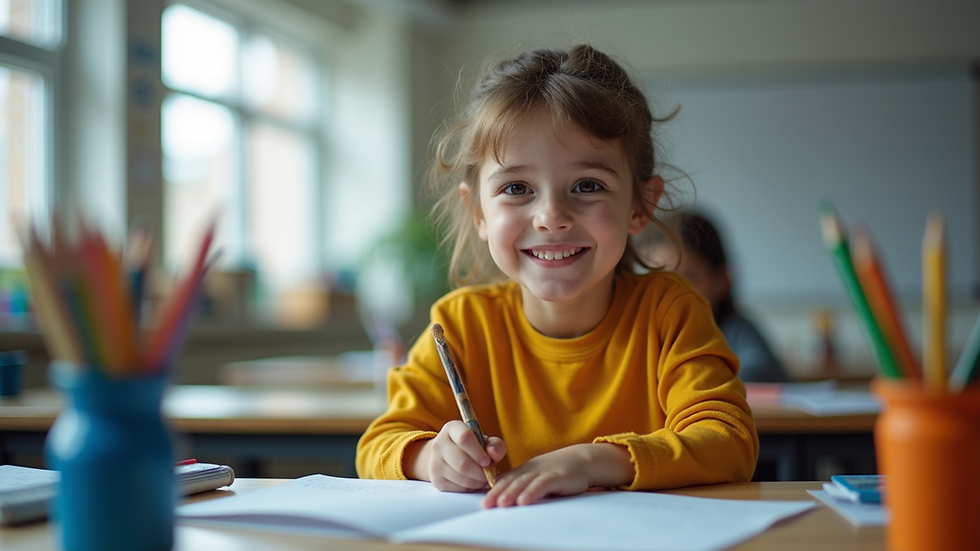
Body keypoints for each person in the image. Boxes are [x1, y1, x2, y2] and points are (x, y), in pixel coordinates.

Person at [355, 45, 758, 508]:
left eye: (587, 185)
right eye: (516, 188)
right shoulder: (460, 325)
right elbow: (378, 445)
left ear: (639, 206)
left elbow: (728, 440)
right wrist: (431, 457)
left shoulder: (670, 313)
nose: (551, 217)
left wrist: (590, 462)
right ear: (478, 212)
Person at [640, 211, 790, 383]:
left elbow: (759, 369)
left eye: (687, 279)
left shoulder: (736, 332)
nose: (671, 296)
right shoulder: (646, 339)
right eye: (659, 283)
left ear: (722, 279)